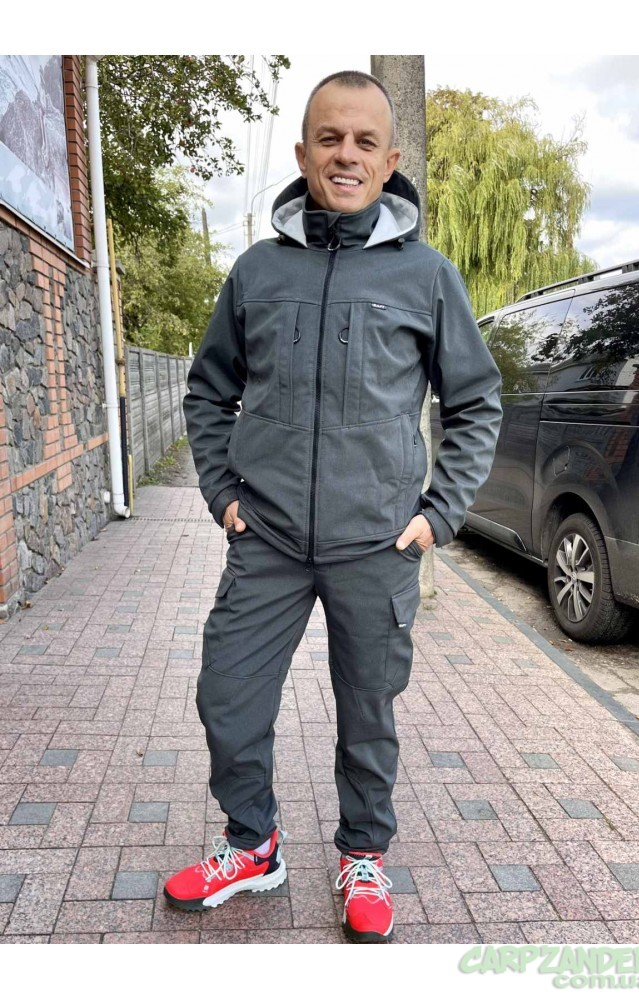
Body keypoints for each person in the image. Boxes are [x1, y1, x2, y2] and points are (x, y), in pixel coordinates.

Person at [165, 70, 502, 943]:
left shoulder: (426, 276)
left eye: (363, 142)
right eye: (329, 138)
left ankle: (363, 853)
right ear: (303, 151)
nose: (345, 155)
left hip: (376, 544)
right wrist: (222, 493)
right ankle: (254, 845)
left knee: (367, 714)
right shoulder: (256, 271)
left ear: (389, 161)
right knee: (227, 695)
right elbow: (208, 392)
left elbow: (475, 403)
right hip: (267, 538)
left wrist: (438, 513)